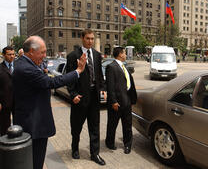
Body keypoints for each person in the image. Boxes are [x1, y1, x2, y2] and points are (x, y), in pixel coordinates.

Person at [13, 36, 86, 169]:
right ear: (31, 52)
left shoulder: (25, 64)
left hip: (31, 120)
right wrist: (78, 71)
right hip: (33, 124)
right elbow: (51, 82)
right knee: (36, 161)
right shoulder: (26, 68)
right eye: (42, 52)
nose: (45, 56)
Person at [66, 29, 106, 165]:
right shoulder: (73, 56)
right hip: (80, 98)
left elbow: (100, 75)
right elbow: (69, 78)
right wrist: (73, 94)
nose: (90, 41)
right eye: (88, 38)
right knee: (76, 127)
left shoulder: (97, 55)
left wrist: (103, 89)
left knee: (94, 127)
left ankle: (95, 154)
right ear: (82, 38)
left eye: (92, 39)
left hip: (94, 97)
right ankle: (75, 148)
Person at [105, 47, 137, 154]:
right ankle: (109, 143)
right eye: (124, 53)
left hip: (127, 101)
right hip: (117, 103)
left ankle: (127, 145)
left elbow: (129, 83)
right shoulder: (111, 67)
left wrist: (132, 99)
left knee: (127, 125)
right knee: (112, 124)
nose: (125, 55)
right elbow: (110, 86)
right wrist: (113, 101)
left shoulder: (125, 67)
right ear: (119, 54)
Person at [0, 46, 15, 136]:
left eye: (13, 54)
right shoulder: (0, 68)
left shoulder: (18, 66)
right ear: (3, 55)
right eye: (9, 54)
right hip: (4, 102)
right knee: (4, 126)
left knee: (18, 124)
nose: (12, 56)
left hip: (17, 101)